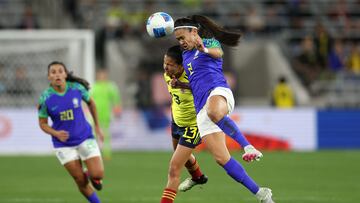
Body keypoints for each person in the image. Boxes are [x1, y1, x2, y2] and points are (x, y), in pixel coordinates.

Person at [159, 15, 275, 203]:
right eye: (178, 40)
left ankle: (248, 146)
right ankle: (260, 193)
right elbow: (196, 84)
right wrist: (183, 85)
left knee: (214, 111)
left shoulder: (208, 42)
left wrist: (201, 47)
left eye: (182, 38)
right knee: (222, 159)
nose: (181, 42)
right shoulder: (185, 55)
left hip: (218, 92)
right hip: (201, 109)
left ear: (193, 32)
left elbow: (217, 53)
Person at [38, 61, 104, 203]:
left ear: (65, 74)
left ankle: (90, 173)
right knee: (80, 181)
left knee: (98, 174)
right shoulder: (45, 98)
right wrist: (55, 133)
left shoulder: (77, 88)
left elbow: (91, 103)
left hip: (85, 137)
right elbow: (42, 124)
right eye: (53, 72)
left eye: (60, 71)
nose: (57, 74)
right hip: (63, 144)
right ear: (49, 77)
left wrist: (98, 126)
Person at [162, 45, 208, 196]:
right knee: (180, 154)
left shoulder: (192, 75)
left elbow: (204, 91)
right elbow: (176, 99)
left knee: (174, 168)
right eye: (165, 63)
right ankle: (198, 177)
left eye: (170, 64)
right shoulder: (167, 75)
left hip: (193, 125)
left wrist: (182, 85)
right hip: (177, 121)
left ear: (181, 65)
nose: (166, 67)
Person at [90, 69, 121, 160]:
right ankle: (95, 154)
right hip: (94, 115)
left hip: (106, 115)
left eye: (104, 75)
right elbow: (89, 99)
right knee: (94, 135)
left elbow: (116, 98)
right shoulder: (94, 86)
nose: (102, 77)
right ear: (98, 76)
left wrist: (117, 109)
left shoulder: (110, 86)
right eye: (100, 75)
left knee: (106, 135)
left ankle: (107, 154)